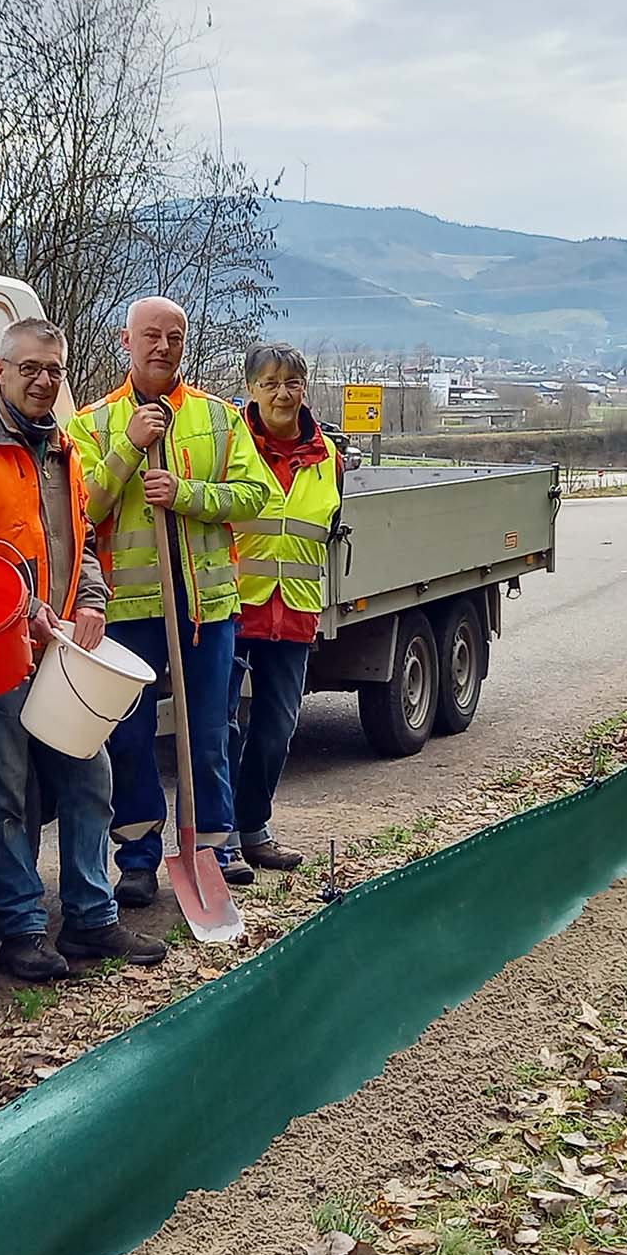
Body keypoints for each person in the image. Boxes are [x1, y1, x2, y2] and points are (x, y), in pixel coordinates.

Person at [0, 319, 168, 980]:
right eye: (29, 369)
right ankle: (23, 932)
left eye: (53, 371)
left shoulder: (62, 448)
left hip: (64, 651)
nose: (43, 380)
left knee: (90, 781)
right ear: (0, 371)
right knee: (7, 794)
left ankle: (91, 920)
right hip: (1, 653)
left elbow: (83, 540)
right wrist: (21, 608)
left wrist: (90, 600)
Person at [68, 297, 274, 904]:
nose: (163, 346)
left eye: (175, 337)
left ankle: (211, 847)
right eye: (151, 336)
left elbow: (255, 494)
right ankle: (137, 855)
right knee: (128, 736)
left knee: (207, 730)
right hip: (128, 608)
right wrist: (129, 448)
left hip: (205, 608)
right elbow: (83, 510)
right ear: (125, 340)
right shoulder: (91, 424)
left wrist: (186, 493)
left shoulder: (219, 417)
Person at [228, 343, 343, 872]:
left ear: (305, 387)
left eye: (291, 383)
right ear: (251, 389)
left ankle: (254, 827)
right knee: (219, 729)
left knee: (276, 729)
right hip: (231, 609)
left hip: (293, 613)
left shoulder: (328, 459)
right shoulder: (229, 445)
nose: (282, 393)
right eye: (270, 383)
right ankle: (217, 837)